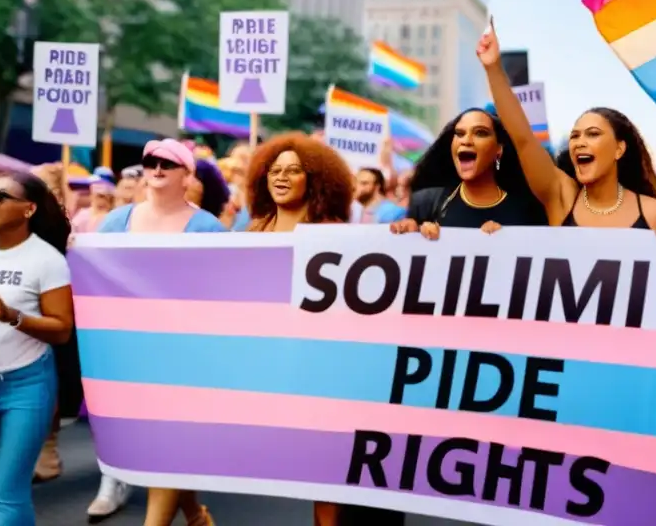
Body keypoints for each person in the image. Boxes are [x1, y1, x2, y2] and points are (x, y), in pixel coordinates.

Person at [245, 134, 402, 525]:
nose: (281, 177)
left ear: (314, 180)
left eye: (293, 171)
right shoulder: (251, 232)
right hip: (270, 366)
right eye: (274, 170)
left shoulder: (338, 235)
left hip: (324, 369)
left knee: (324, 477)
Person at [86, 139, 222, 526]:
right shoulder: (115, 222)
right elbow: (95, 283)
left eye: (168, 163)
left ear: (187, 174)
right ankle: (195, 514)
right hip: (128, 353)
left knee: (170, 444)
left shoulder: (208, 228)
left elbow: (222, 295)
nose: (157, 169)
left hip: (184, 355)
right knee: (147, 444)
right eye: (150, 162)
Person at [473, 25, 656, 239]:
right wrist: (493, 69)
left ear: (619, 148)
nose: (579, 142)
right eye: (574, 135)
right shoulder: (562, 199)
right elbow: (523, 140)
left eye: (593, 134)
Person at [0, 171, 74, 525]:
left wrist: (12, 316)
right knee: (2, 490)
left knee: (8, 493)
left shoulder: (47, 260)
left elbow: (62, 330)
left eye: (2, 197)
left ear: (29, 209)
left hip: (26, 387)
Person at [389, 107, 547, 239]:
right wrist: (412, 235)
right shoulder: (425, 204)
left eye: (480, 133)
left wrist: (506, 240)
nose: (466, 140)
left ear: (498, 150)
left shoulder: (526, 211)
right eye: (459, 133)